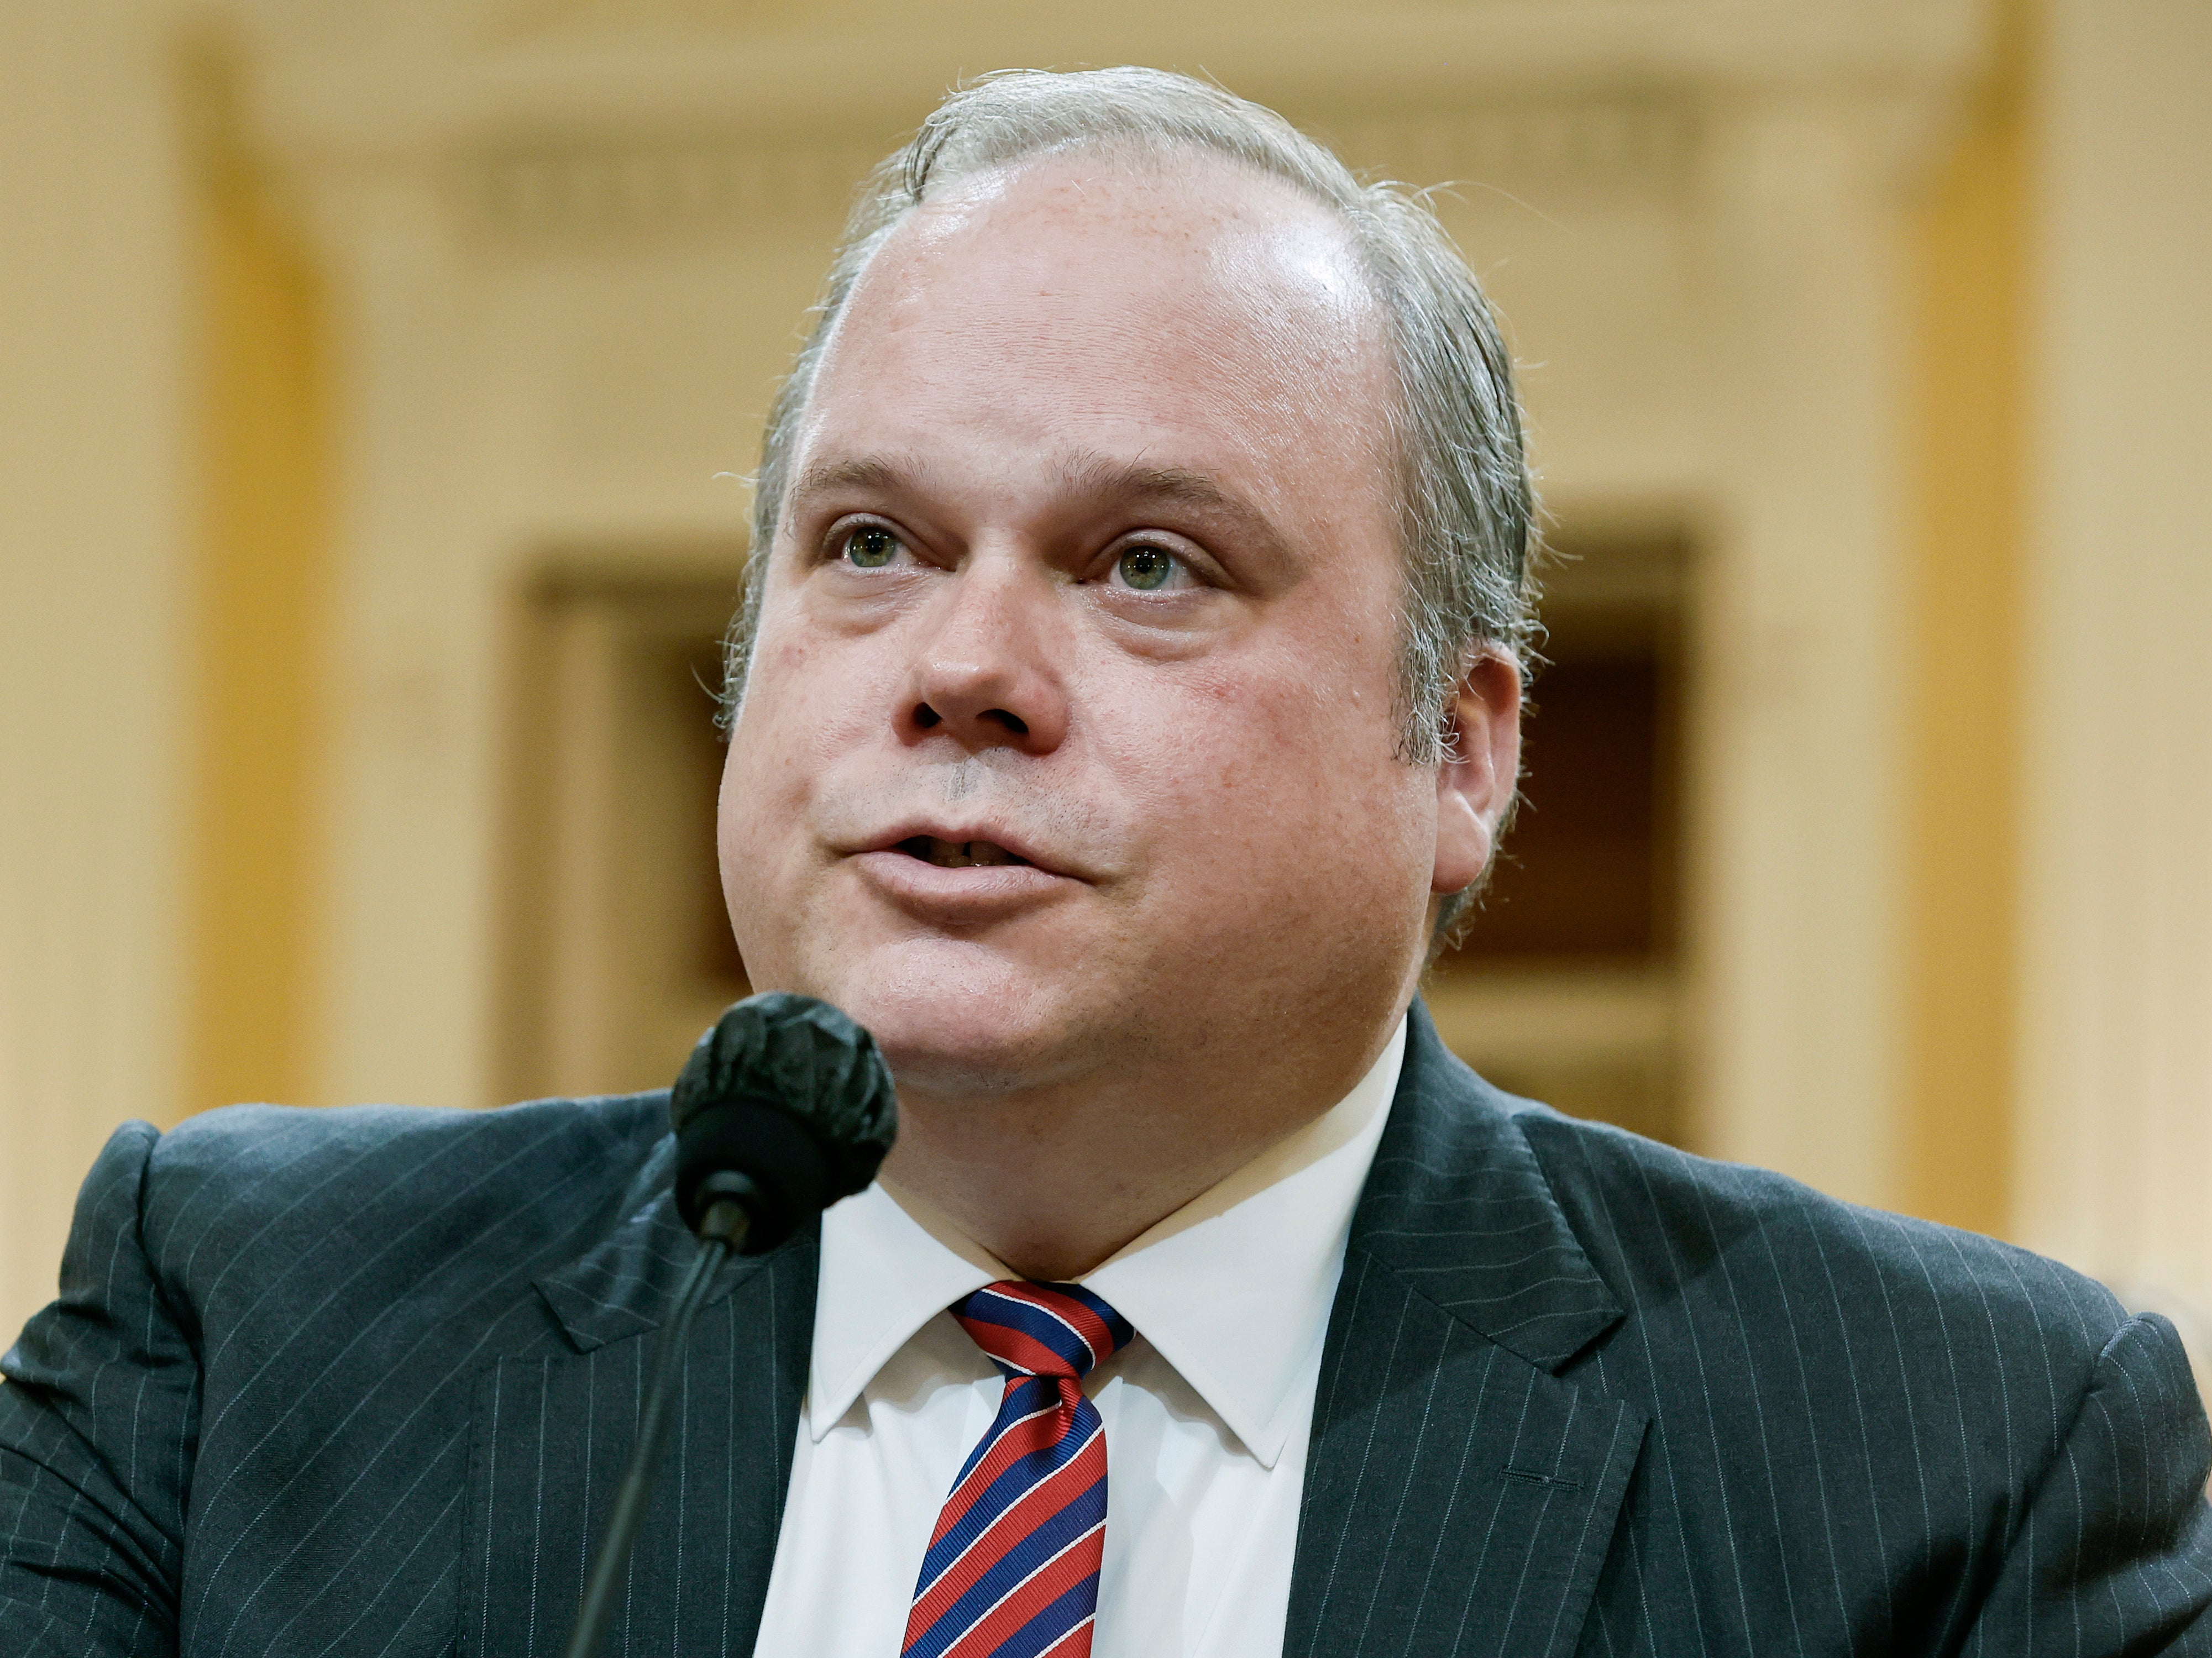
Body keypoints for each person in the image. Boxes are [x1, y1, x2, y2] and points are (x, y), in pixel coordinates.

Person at [3, 66, 2207, 1658]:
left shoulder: (1958, 1465)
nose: (961, 667)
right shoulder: (239, 1324)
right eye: (868, 543)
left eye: (1146, 566)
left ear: (1455, 751)